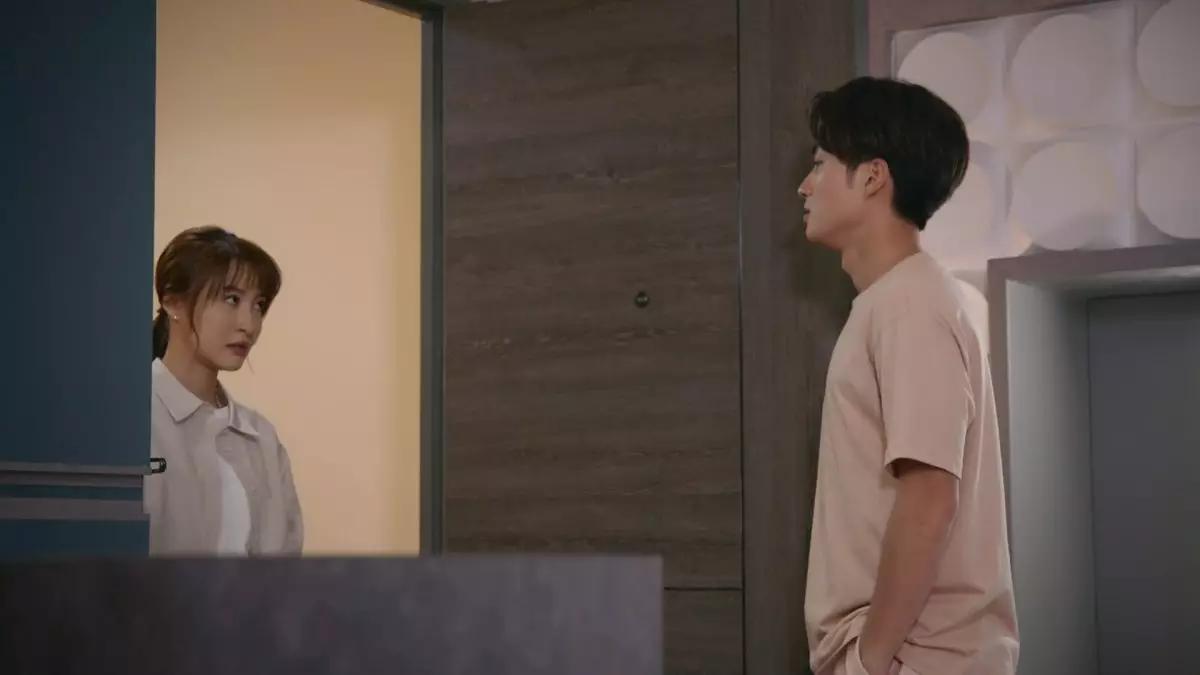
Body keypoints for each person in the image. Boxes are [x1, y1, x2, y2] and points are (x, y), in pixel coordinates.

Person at [798, 77, 1018, 675]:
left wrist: (868, 661)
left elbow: (929, 500)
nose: (805, 185)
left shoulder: (910, 306)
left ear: (872, 176)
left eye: (819, 164)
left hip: (915, 662)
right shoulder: (897, 302)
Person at [148, 225, 304, 556]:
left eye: (258, 305)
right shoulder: (132, 420)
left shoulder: (262, 439)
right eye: (231, 299)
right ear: (173, 302)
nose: (249, 324)